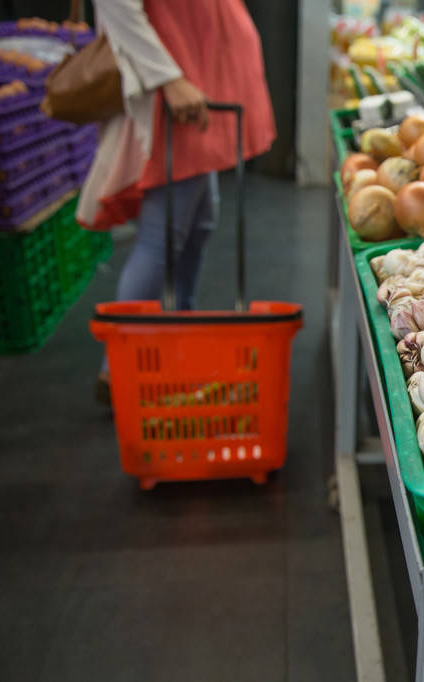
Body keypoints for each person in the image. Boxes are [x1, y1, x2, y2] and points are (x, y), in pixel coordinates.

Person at [77, 0, 276, 403]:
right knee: (162, 234)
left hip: (197, 80)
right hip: (180, 84)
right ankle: (119, 367)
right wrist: (168, 78)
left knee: (196, 224)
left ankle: (175, 344)